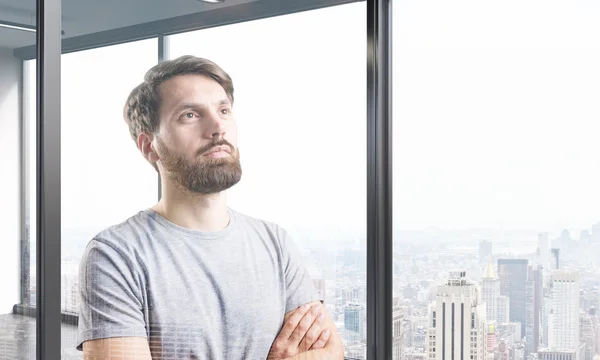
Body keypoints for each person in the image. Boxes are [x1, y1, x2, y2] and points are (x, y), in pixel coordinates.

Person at [76, 55, 344, 359]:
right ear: (149, 146)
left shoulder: (276, 244)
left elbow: (329, 352)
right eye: (190, 115)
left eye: (224, 110)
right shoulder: (116, 255)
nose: (218, 126)